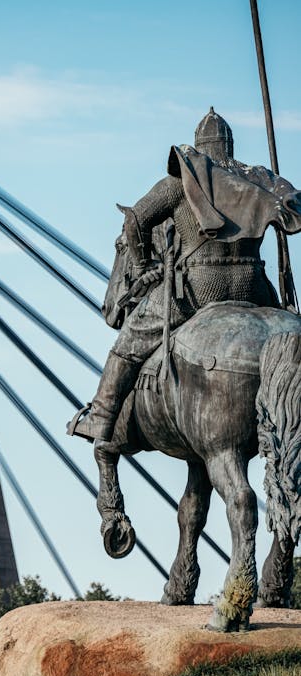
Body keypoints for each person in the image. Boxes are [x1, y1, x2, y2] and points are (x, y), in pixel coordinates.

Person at [68, 107, 301, 443]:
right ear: (229, 145)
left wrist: (145, 263)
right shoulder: (255, 180)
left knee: (128, 344)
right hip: (255, 289)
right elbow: (292, 210)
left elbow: (135, 220)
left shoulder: (181, 181)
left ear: (198, 143)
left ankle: (101, 418)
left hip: (197, 289)